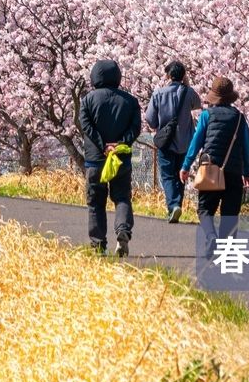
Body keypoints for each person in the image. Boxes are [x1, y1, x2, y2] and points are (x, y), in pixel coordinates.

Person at [181, 77, 249, 258]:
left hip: (210, 169)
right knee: (230, 213)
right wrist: (247, 172)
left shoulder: (206, 115)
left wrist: (186, 166)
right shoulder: (239, 118)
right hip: (234, 171)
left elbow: (196, 143)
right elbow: (246, 145)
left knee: (205, 209)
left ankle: (211, 237)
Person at [78, 59, 142, 256]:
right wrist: (119, 144)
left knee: (96, 202)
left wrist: (102, 145)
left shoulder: (88, 100)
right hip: (121, 159)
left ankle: (98, 245)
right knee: (122, 197)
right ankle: (123, 230)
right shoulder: (130, 101)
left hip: (95, 160)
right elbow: (135, 128)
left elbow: (86, 126)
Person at [145, 61, 200, 223]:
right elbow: (198, 104)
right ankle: (177, 205)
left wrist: (158, 125)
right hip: (185, 142)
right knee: (181, 174)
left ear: (168, 75)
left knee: (168, 176)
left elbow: (150, 119)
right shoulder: (189, 92)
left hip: (166, 142)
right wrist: (187, 84)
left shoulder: (159, 94)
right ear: (183, 75)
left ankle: (174, 205)